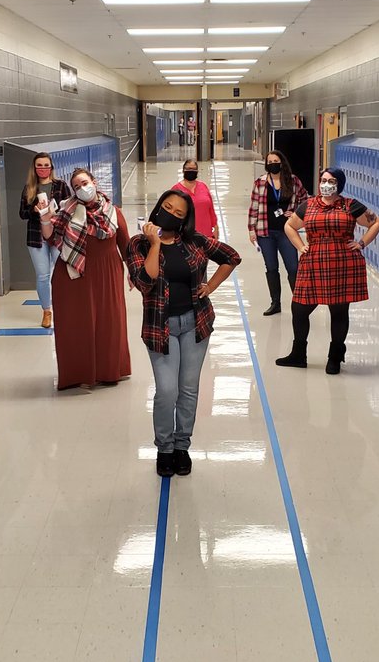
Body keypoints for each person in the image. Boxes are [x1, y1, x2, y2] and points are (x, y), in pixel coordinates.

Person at [126, 190, 240, 477]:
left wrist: (210, 286)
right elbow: (145, 281)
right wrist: (154, 244)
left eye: (179, 214)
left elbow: (231, 257)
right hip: (159, 328)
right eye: (167, 208)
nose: (171, 215)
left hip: (194, 323)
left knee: (188, 390)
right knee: (167, 391)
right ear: (157, 208)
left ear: (186, 219)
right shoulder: (137, 244)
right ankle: (164, 448)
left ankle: (181, 447)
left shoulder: (195, 242)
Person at [276, 168, 379, 374]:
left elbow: (376, 222)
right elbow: (289, 226)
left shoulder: (351, 205)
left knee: (339, 310)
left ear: (339, 184)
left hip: (342, 262)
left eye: (331, 181)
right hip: (313, 261)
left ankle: (334, 357)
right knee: (299, 309)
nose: (326, 184)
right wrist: (300, 246)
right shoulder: (308, 205)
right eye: (323, 180)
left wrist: (361, 243)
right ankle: (298, 354)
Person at [40, 167, 132, 390]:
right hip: (73, 274)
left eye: (84, 183)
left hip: (107, 272)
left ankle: (108, 371)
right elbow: (50, 238)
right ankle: (78, 373)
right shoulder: (66, 211)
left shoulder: (113, 212)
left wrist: (133, 271)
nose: (82, 188)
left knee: (109, 322)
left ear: (94, 181)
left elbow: (126, 245)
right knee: (76, 324)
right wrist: (44, 218)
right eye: (77, 186)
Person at [247, 150, 309, 316]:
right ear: (266, 164)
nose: (273, 163)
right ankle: (275, 303)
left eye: (276, 160)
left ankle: (299, 303)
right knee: (271, 267)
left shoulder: (293, 181)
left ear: (282, 163)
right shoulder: (260, 183)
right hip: (265, 231)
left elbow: (305, 199)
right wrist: (251, 230)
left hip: (287, 232)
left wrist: (295, 211)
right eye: (270, 161)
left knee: (293, 267)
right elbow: (253, 208)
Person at [18, 152, 71, 329]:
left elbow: (70, 208)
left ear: (51, 167)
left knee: (60, 274)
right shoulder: (29, 188)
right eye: (39, 165)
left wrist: (55, 211)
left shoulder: (61, 185)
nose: (42, 169)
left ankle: (63, 307)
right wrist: (34, 210)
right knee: (43, 276)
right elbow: (22, 214)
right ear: (34, 168)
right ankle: (47, 311)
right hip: (36, 238)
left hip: (57, 235)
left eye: (46, 165)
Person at [172, 159, 218, 238]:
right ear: (183, 170)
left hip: (207, 235)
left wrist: (215, 227)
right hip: (186, 236)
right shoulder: (176, 190)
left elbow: (211, 209)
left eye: (194, 169)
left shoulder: (203, 186)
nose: (191, 171)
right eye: (189, 169)